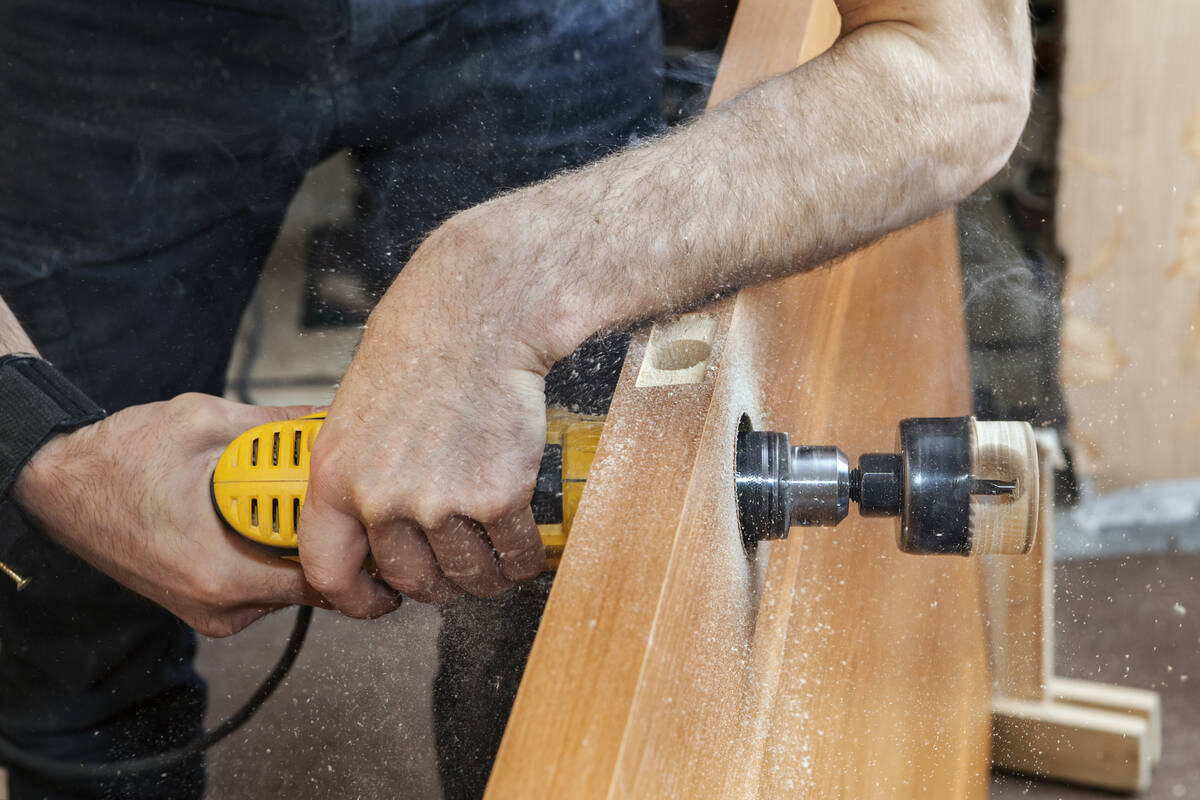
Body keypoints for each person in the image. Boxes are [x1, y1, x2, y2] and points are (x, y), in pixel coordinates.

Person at [0, 0, 1031, 797]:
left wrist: (506, 280)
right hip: (91, 35)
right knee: (62, 610)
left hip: (529, 18)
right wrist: (40, 442)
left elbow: (959, 72)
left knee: (571, 634)